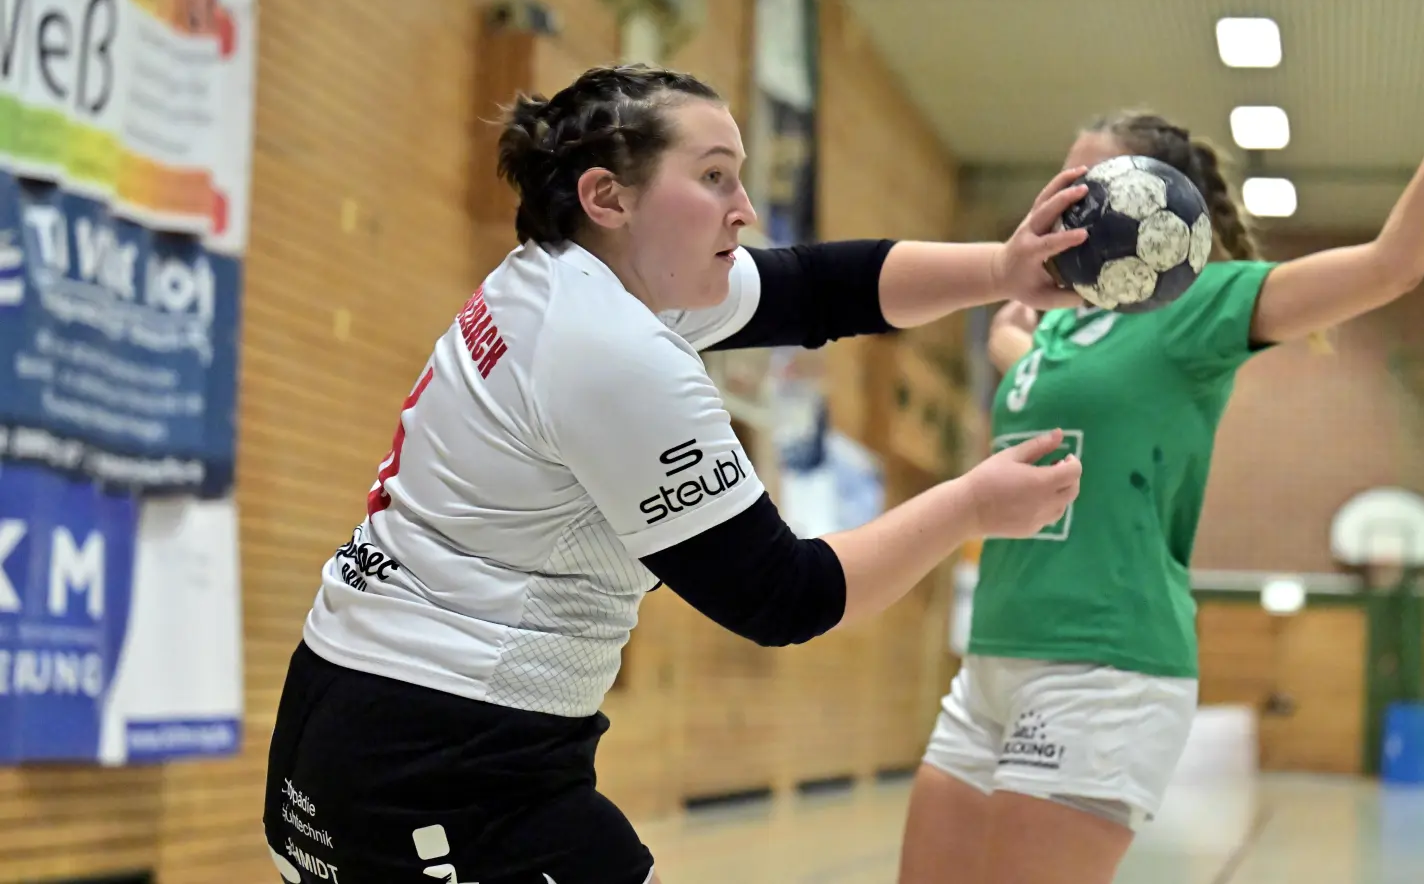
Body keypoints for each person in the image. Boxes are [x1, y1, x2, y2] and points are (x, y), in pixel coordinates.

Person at [262, 63, 1097, 884]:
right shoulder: (613, 351)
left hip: (360, 712)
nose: (745, 209)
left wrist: (1002, 271)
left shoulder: (569, 278)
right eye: (713, 178)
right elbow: (785, 597)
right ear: (607, 197)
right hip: (438, 763)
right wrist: (970, 505)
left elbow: (812, 288)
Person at [897, 6, 1424, 884]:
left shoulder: (1199, 309)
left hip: (1102, 669)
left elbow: (1393, 265)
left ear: (1143, 202)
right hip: (992, 657)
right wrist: (1015, 330)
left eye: (1083, 177)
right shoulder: (1056, 336)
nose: (1059, 191)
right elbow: (1029, 360)